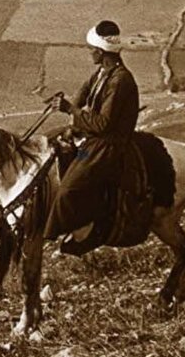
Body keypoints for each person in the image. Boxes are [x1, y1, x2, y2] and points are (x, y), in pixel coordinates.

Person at [45, 19, 141, 254]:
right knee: (47, 141)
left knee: (67, 191)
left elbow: (102, 124)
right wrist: (68, 108)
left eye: (91, 49)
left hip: (108, 143)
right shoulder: (102, 73)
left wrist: (71, 110)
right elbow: (82, 95)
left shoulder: (120, 80)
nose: (89, 52)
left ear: (100, 51)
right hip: (95, 136)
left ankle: (62, 236)